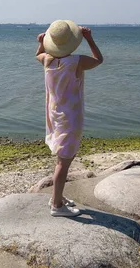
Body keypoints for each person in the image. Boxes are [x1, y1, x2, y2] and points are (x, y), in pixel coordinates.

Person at [36, 19, 103, 217]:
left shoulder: (47, 60)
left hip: (55, 114)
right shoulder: (76, 62)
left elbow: (37, 54)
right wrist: (90, 39)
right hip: (70, 117)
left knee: (62, 158)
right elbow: (98, 60)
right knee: (63, 163)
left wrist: (40, 43)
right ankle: (57, 205)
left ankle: (58, 196)